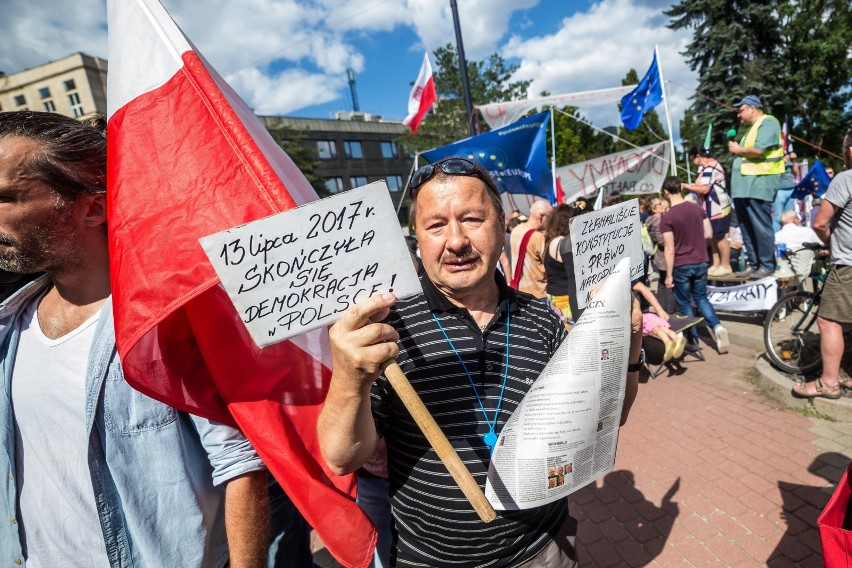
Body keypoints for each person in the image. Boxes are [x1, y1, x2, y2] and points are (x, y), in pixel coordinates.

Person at [317, 157, 643, 567]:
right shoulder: (386, 330)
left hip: (541, 549)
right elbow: (340, 457)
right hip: (430, 560)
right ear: (416, 236)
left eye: (472, 219)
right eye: (436, 225)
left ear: (501, 224)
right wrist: (350, 376)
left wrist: (629, 344)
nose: (455, 241)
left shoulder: (542, 319)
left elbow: (611, 416)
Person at [0, 111, 269, 566]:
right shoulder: (10, 327)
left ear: (93, 208)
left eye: (5, 197)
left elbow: (240, 464)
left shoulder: (166, 323)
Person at [793, 127, 852, 399]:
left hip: (848, 263)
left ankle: (829, 382)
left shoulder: (846, 178)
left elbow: (819, 222)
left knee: (828, 321)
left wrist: (829, 242)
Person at [660, 176, 730, 354]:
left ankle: (693, 341)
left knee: (684, 304)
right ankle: (718, 327)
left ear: (666, 191)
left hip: (681, 264)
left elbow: (669, 249)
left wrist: (668, 275)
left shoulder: (668, 217)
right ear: (681, 189)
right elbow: (709, 234)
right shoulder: (697, 209)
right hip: (701, 260)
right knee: (701, 298)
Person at [728, 94, 785, 278]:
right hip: (745, 187)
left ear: (752, 108)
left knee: (760, 227)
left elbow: (759, 150)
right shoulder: (752, 129)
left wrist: (737, 150)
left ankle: (766, 265)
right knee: (747, 228)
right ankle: (754, 266)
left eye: (741, 110)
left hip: (759, 184)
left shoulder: (768, 122)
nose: (739, 115)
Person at [682, 147, 733, 276]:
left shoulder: (711, 168)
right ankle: (716, 264)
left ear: (698, 156)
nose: (693, 162)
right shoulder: (706, 168)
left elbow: (704, 189)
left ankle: (726, 265)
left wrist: (687, 186)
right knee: (714, 237)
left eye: (692, 158)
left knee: (720, 236)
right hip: (709, 207)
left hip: (718, 206)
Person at [542, 203, 578, 329]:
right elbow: (574, 273)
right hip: (565, 300)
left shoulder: (550, 241)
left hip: (554, 297)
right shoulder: (563, 243)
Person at [509, 198, 552, 297]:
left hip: (520, 290)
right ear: (541, 216)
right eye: (550, 218)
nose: (550, 222)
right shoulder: (537, 237)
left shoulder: (516, 230)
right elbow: (549, 265)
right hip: (538, 292)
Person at [774, 210, 823, 284]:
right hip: (805, 270)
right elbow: (822, 244)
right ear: (794, 219)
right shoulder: (807, 231)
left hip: (783, 274)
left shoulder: (776, 236)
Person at [773, 152, 801, 233]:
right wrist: (783, 162)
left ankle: (787, 236)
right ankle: (777, 237)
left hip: (791, 190)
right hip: (779, 191)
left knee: (789, 217)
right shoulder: (776, 160)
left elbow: (796, 173)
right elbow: (775, 174)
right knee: (778, 217)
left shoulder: (790, 161)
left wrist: (793, 161)